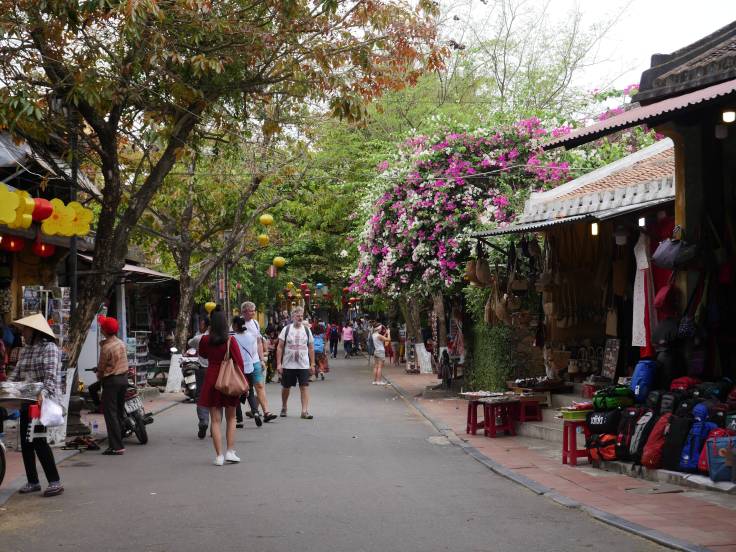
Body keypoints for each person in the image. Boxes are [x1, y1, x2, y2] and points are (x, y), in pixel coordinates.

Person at [7, 314, 64, 496]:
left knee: (39, 441)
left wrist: (42, 394)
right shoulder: (26, 350)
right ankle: (33, 481)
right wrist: (5, 388)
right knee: (26, 442)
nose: (22, 333)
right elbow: (16, 374)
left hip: (42, 402)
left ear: (34, 331)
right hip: (27, 401)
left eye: (25, 329)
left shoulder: (50, 348)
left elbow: (50, 377)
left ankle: (55, 482)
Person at [197, 311, 247, 466]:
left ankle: (219, 456)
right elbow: (239, 363)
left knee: (215, 420)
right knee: (231, 418)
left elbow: (203, 354)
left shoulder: (205, 339)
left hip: (212, 380)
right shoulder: (231, 340)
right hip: (228, 380)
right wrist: (244, 385)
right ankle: (230, 451)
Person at [239, 301, 276, 422]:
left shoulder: (255, 323)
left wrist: (261, 359)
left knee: (259, 385)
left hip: (255, 360)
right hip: (242, 362)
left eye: (254, 310)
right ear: (244, 312)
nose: (254, 313)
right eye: (251, 311)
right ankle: (238, 416)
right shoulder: (237, 323)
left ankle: (266, 412)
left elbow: (259, 342)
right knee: (241, 388)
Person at [97, 316, 129, 455]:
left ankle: (116, 446)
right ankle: (119, 440)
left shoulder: (106, 348)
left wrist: (99, 375)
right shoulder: (121, 343)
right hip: (123, 380)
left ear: (104, 330)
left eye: (102, 327)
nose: (100, 328)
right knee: (118, 412)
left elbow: (101, 367)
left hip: (112, 382)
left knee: (111, 414)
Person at [276, 307, 315, 419]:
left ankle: (304, 411)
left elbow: (311, 347)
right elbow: (280, 347)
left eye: (301, 316)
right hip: (288, 364)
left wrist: (312, 364)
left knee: (304, 386)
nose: (300, 318)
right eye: (298, 316)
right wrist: (279, 364)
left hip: (303, 364)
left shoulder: (307, 330)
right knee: (286, 387)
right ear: (292, 317)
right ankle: (284, 407)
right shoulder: (286, 329)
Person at [232, 316, 262, 428]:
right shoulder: (251, 337)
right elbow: (254, 352)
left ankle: (239, 420)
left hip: (237, 369)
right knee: (250, 391)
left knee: (236, 393)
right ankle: (255, 412)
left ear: (235, 326)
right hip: (249, 368)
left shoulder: (233, 339)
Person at [188, 315, 210, 439]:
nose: (200, 326)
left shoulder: (200, 338)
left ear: (206, 325)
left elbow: (190, 343)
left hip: (203, 370)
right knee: (216, 399)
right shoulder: (223, 338)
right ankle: (215, 427)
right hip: (218, 371)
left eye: (201, 324)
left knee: (201, 396)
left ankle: (203, 420)